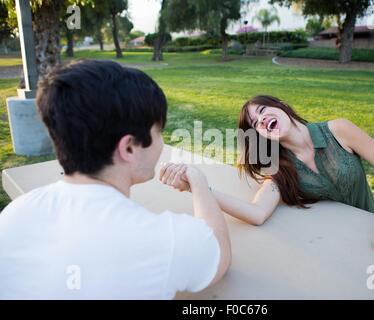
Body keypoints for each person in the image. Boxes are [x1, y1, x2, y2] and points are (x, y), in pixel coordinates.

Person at [0, 60, 231, 299]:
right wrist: (199, 181)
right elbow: (220, 252)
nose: (162, 143)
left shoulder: (14, 213)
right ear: (129, 147)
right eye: (158, 132)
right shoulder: (163, 241)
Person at [160, 95, 374, 269]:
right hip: (339, 254)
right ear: (260, 134)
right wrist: (198, 186)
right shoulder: (280, 169)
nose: (261, 119)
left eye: (263, 111)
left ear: (281, 106)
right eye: (255, 123)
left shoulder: (339, 130)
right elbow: (257, 213)